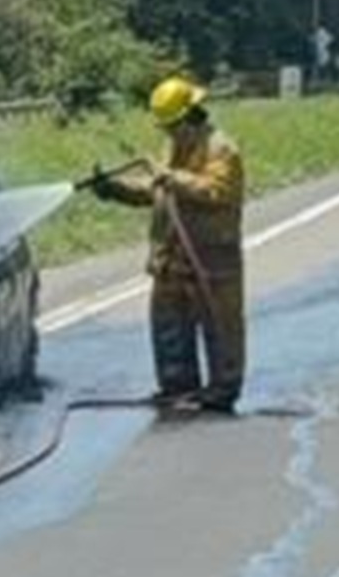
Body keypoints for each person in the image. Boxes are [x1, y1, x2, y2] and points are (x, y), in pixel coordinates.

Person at [84, 76, 248, 416]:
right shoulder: (176, 146)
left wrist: (174, 178)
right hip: (172, 256)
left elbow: (216, 191)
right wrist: (114, 189)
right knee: (169, 323)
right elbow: (156, 190)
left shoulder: (221, 149)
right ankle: (178, 387)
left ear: (191, 117)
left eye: (173, 126)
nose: (169, 134)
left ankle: (221, 391)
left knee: (221, 325)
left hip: (210, 258)